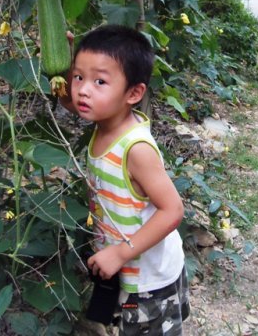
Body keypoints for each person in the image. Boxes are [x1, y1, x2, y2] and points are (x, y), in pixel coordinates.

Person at [62, 24, 189, 334]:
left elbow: (173, 210)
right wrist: (63, 62)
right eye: (79, 77)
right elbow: (68, 98)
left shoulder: (136, 149)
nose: (84, 90)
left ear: (133, 93)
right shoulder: (106, 119)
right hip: (123, 265)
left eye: (100, 81)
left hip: (148, 281)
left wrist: (120, 252)